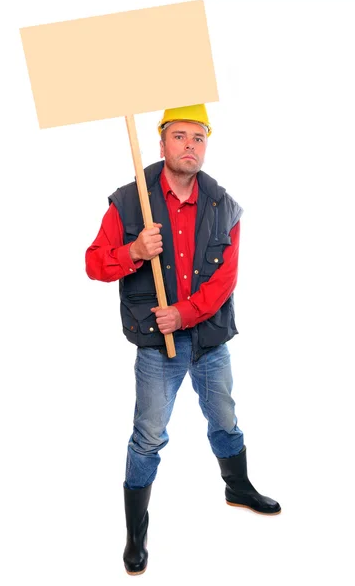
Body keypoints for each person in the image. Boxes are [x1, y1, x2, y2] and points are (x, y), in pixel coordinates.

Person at [85, 104, 281, 576]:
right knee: (148, 436)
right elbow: (94, 263)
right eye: (180, 136)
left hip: (209, 340)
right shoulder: (130, 202)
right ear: (161, 142)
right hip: (157, 349)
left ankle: (237, 487)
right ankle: (136, 531)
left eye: (199, 137)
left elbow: (225, 280)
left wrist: (185, 313)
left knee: (225, 419)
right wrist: (133, 251)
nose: (190, 145)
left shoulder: (225, 206)